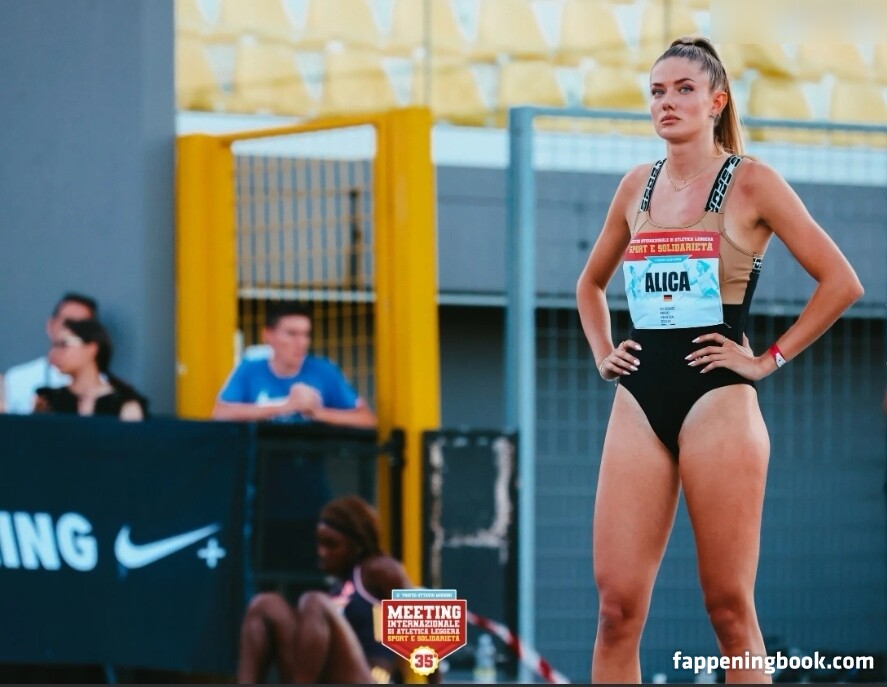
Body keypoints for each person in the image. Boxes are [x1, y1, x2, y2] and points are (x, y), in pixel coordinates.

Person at [575, 36, 863, 683]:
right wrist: (603, 352)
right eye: (657, 91)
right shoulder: (635, 185)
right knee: (616, 611)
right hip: (638, 399)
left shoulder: (752, 180)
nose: (667, 102)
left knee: (729, 610)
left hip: (719, 400)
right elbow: (588, 285)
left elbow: (841, 282)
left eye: (683, 89)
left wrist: (768, 358)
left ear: (716, 102)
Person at [237, 495, 433, 684]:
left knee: (313, 601)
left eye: (331, 544)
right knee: (264, 605)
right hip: (329, 678)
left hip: (374, 677)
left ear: (357, 544)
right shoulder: (338, 586)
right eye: (319, 543)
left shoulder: (379, 569)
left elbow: (426, 628)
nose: (321, 552)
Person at [212, 302, 376, 428]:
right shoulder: (250, 368)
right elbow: (221, 413)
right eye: (291, 334)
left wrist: (316, 413)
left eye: (306, 334)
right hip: (261, 461)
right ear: (268, 335)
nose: (301, 342)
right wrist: (285, 406)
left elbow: (367, 420)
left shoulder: (325, 371)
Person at [2, 292, 98, 414]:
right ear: (51, 325)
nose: (71, 331)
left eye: (81, 327)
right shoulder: (18, 380)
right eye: (67, 322)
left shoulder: (104, 388)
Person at [33, 318, 147, 420]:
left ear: (91, 349)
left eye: (63, 344)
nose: (53, 353)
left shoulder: (123, 402)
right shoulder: (48, 400)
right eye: (53, 345)